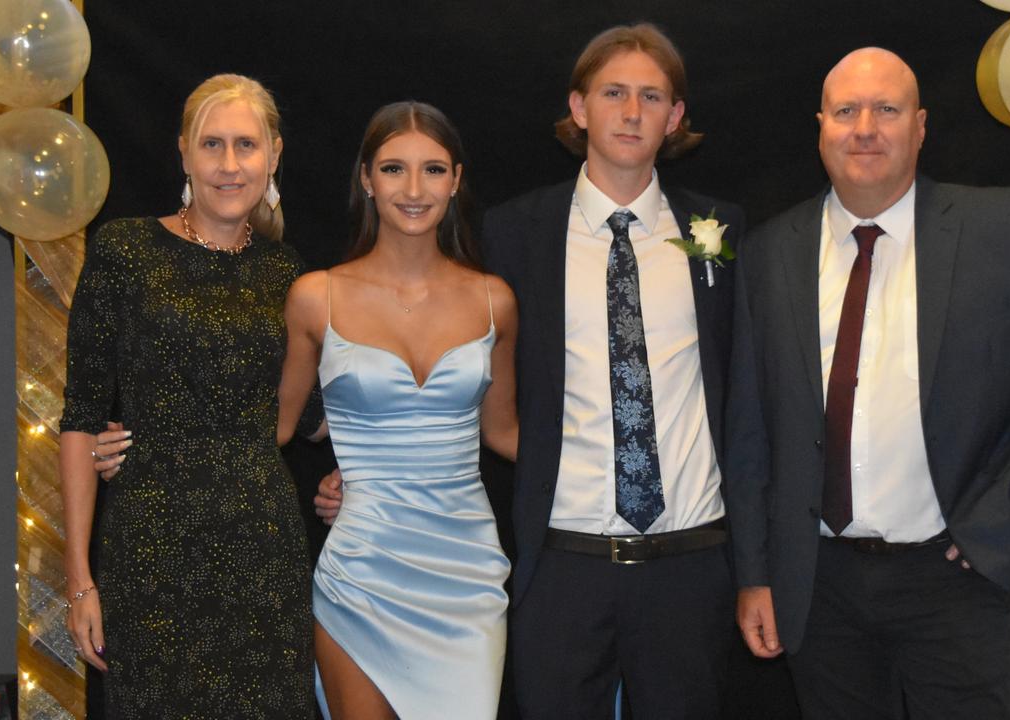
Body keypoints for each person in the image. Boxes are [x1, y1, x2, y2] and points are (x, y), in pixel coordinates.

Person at [318, 23, 744, 718]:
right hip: (562, 566)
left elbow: (749, 397)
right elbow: (452, 372)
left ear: (675, 118)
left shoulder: (722, 234)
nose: (631, 112)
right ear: (579, 109)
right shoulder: (514, 236)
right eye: (613, 93)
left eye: (651, 96)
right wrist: (369, 475)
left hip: (690, 566)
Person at [726, 47, 1010, 719]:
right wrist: (755, 574)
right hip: (818, 584)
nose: (865, 127)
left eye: (887, 109)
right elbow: (751, 429)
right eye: (846, 111)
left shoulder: (1000, 229)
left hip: (953, 576)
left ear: (920, 127)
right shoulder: (768, 254)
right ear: (821, 127)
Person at [58, 74, 315, 717]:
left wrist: (354, 474)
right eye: (213, 145)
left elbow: (313, 414)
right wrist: (80, 580)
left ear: (274, 155)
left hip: (263, 549)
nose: (230, 165)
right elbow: (82, 417)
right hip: (150, 546)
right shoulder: (125, 250)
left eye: (247, 146)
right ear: (184, 154)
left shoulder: (291, 276)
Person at [277, 101, 519, 720]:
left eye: (433, 170)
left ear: (456, 180)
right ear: (366, 179)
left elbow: (506, 433)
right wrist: (143, 436)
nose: (414, 190)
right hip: (362, 569)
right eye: (393, 169)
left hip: (465, 574)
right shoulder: (315, 297)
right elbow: (272, 427)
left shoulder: (495, 302)